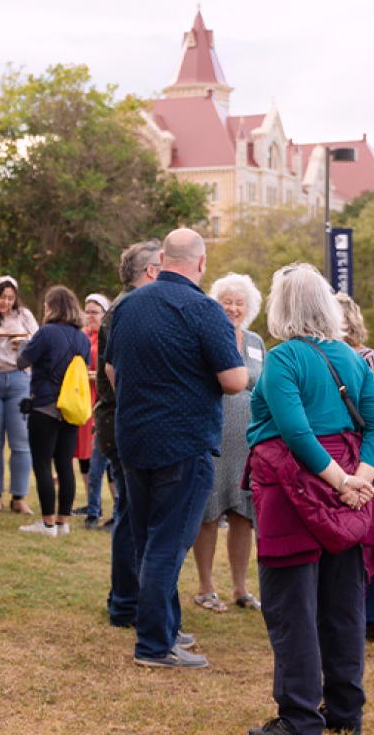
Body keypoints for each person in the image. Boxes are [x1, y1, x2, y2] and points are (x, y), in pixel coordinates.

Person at [246, 263, 374, 735]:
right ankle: (345, 712)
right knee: (344, 605)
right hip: (349, 488)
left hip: (294, 488)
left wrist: (343, 482)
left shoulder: (283, 359)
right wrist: (358, 480)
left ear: (280, 306)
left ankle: (300, 718)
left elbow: (295, 431)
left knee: (292, 608)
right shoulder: (352, 358)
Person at [105, 228, 246, 669]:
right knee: (168, 544)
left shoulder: (127, 305)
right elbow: (235, 380)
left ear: (163, 258)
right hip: (184, 442)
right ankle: (153, 645)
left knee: (147, 538)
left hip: (134, 438)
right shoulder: (204, 310)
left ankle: (165, 628)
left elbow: (110, 369)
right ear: (201, 264)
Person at [95, 239, 162, 628]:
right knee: (131, 514)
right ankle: (125, 602)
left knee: (132, 512)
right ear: (151, 271)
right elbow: (115, 375)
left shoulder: (126, 307)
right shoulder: (126, 310)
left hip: (121, 421)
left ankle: (127, 598)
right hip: (122, 423)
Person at [192, 273, 265, 614]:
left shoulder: (255, 342)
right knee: (207, 513)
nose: (234, 308)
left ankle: (240, 588)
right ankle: (206, 587)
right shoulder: (205, 336)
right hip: (211, 435)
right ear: (215, 303)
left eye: (240, 302)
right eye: (227, 301)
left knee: (243, 516)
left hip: (248, 442)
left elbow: (263, 387)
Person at [16, 285, 91, 536]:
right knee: (65, 465)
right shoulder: (82, 337)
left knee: (42, 464)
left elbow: (22, 361)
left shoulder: (46, 332)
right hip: (71, 407)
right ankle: (63, 522)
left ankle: (47, 523)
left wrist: (23, 344)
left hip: (45, 405)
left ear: (52, 307)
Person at [336, 293, 374, 641]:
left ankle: (369, 614)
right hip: (339, 456)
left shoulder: (366, 359)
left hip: (363, 455)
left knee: (369, 533)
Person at [0, 275, 38, 515]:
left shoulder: (24, 316)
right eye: (1, 297)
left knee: (21, 441)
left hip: (18, 379)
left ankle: (19, 496)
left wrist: (20, 343)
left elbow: (37, 342)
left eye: (10, 298)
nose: (5, 302)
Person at [81, 292, 111, 528]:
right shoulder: (84, 336)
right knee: (93, 464)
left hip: (104, 403)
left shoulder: (107, 338)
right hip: (85, 401)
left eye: (95, 311)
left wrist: (93, 376)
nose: (90, 315)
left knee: (109, 466)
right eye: (87, 310)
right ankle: (92, 511)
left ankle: (113, 513)